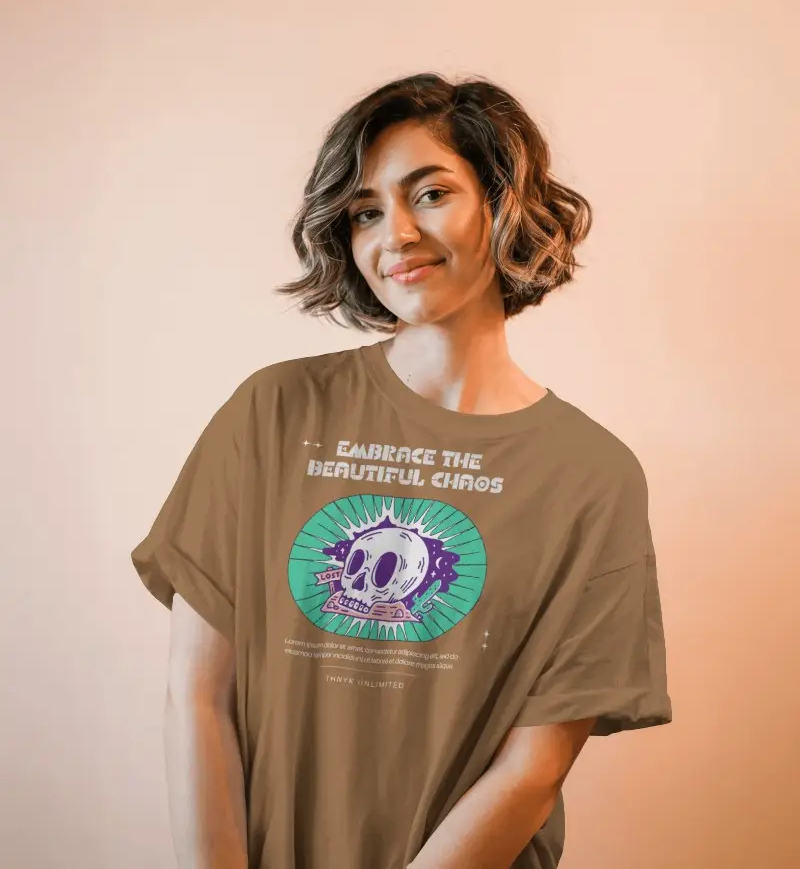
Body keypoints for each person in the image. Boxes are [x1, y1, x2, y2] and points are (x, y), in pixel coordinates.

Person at [131, 72, 672, 869]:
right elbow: (200, 695)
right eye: (366, 211)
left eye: (430, 194)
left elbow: (534, 769)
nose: (397, 236)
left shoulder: (590, 474)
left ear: (503, 202)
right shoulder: (273, 414)